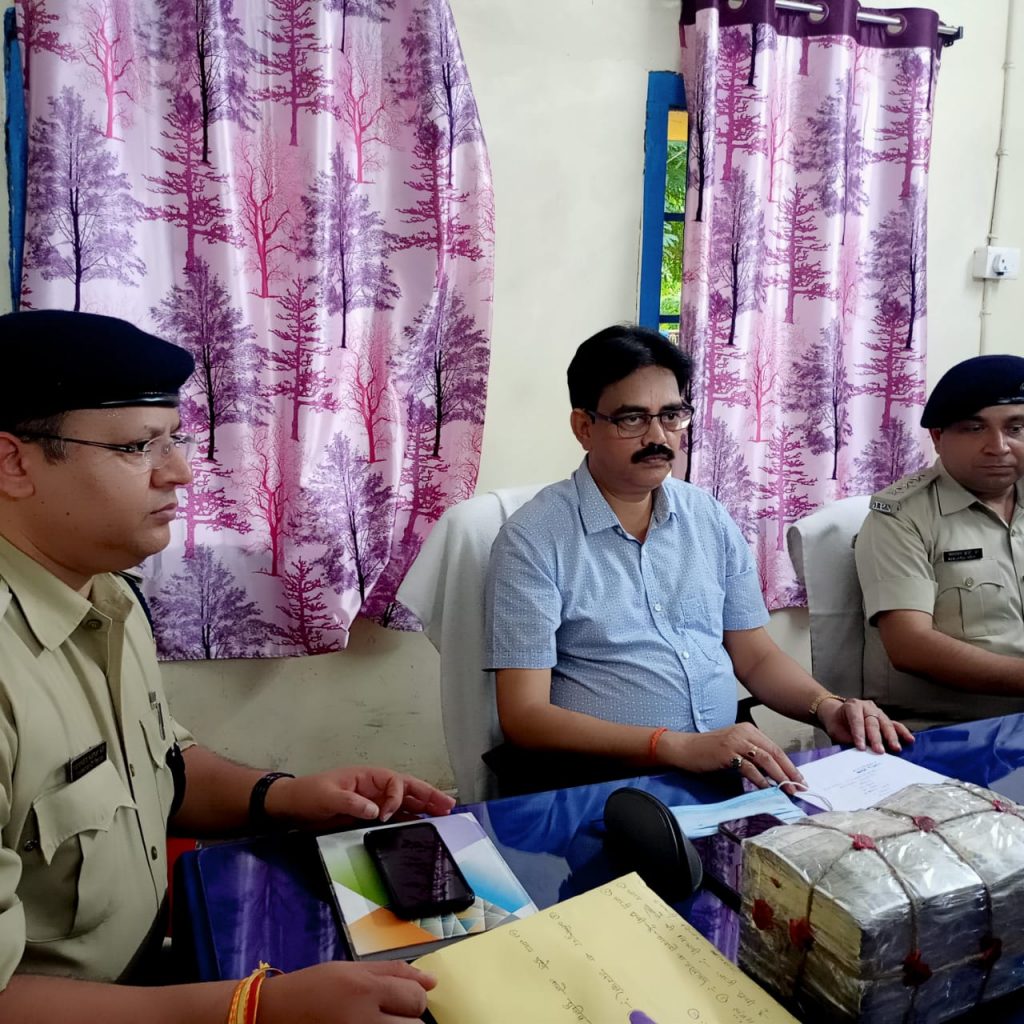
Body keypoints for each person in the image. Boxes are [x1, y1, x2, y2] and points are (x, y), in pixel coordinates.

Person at [0, 310, 453, 1022]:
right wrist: (253, 1009)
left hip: (162, 970)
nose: (179, 472)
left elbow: (160, 764)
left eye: (174, 439)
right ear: (14, 462)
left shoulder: (109, 595)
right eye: (138, 447)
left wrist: (284, 796)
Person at [484, 324, 911, 794]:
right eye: (632, 419)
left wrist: (826, 706)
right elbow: (525, 716)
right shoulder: (533, 539)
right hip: (599, 782)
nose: (658, 436)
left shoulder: (705, 515)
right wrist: (674, 746)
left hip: (724, 767)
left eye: (672, 415)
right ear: (584, 427)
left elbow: (756, 656)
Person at [854, 353, 1024, 727]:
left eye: (1016, 428)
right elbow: (911, 647)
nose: (998, 446)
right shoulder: (900, 518)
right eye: (974, 428)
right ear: (937, 437)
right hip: (949, 733)